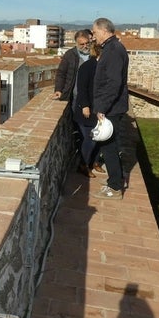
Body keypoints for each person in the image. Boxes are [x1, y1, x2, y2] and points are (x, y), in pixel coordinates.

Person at [91, 17, 129, 198]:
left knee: (109, 147)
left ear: (104, 31)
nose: (93, 36)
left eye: (95, 32)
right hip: (113, 106)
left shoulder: (113, 50)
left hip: (111, 108)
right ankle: (114, 180)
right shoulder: (113, 48)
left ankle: (114, 186)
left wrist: (102, 108)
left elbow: (113, 83)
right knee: (110, 146)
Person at [73, 42, 106, 177]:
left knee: (99, 137)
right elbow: (82, 88)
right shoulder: (87, 67)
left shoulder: (101, 67)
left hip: (98, 108)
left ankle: (95, 162)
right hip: (86, 109)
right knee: (90, 138)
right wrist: (85, 106)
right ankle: (84, 164)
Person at [52, 29, 92, 101]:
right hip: (74, 96)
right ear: (76, 44)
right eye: (82, 44)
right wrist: (58, 89)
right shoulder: (69, 55)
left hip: (91, 95)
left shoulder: (94, 55)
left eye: (87, 43)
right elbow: (61, 73)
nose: (85, 46)